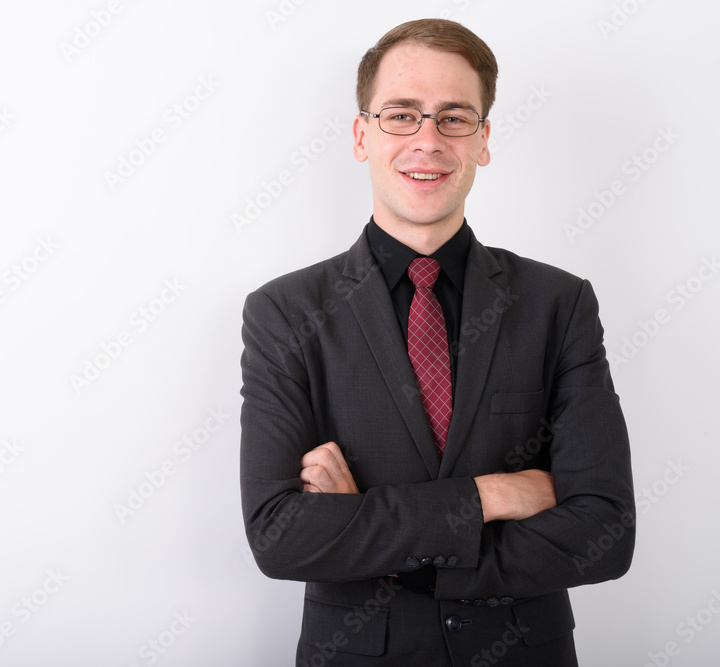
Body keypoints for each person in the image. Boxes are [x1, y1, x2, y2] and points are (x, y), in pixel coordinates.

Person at [239, 18, 635, 666]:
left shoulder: (558, 304)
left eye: (454, 118)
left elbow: (605, 532)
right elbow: (280, 536)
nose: (428, 139)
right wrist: (493, 495)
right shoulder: (285, 312)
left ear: (483, 140)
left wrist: (369, 533)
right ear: (362, 134)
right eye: (402, 115)